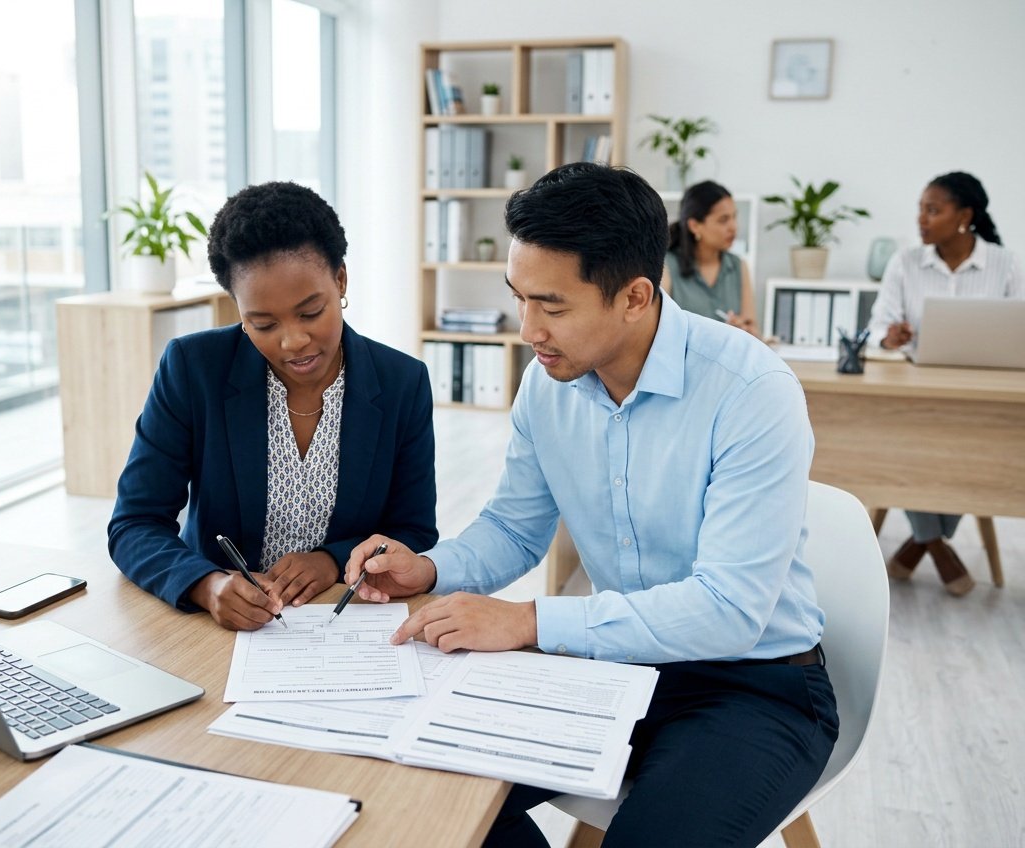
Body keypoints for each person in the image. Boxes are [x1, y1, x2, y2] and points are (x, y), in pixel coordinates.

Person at [346, 163, 837, 847]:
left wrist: (528, 621)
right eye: (520, 299)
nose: (528, 330)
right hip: (618, 671)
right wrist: (428, 571)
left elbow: (729, 611)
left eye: (551, 306)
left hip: (756, 689)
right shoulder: (548, 384)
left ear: (635, 296)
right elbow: (513, 530)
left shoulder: (751, 390)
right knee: (419, 789)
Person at [108, 181, 437, 631]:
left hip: (347, 622)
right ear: (238, 309)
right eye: (262, 323)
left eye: (310, 312)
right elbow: (135, 523)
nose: (293, 341)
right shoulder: (192, 368)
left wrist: (330, 559)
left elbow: (414, 531)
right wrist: (206, 585)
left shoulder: (402, 382)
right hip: (218, 627)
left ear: (340, 280)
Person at [868, 171, 1022, 597]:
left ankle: (921, 544)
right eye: (920, 208)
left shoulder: (1005, 264)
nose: (922, 219)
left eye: (933, 210)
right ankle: (935, 544)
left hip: (984, 397)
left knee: (963, 454)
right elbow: (878, 325)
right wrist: (889, 336)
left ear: (965, 216)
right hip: (915, 396)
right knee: (916, 445)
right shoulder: (906, 262)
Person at [660, 180, 757, 335]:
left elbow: (753, 331)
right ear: (694, 226)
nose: (734, 227)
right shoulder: (667, 267)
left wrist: (744, 330)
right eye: (723, 220)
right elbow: (659, 332)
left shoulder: (738, 266)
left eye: (734, 217)